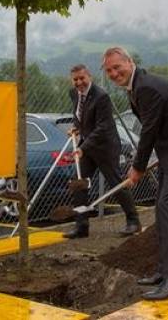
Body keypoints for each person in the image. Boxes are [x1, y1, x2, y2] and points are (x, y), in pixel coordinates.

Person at [102, 47, 168, 301]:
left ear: (130, 62)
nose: (115, 73)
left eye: (118, 67)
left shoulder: (146, 87)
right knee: (162, 205)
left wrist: (138, 166)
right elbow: (157, 126)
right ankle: (163, 271)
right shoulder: (136, 86)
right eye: (109, 71)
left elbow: (149, 129)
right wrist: (150, 159)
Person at [64, 64, 141, 240]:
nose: (79, 82)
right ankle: (81, 226)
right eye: (75, 79)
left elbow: (103, 126)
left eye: (82, 78)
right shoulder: (74, 93)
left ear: (89, 76)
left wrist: (82, 148)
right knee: (79, 183)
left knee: (115, 183)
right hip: (88, 146)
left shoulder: (102, 96)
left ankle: (133, 221)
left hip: (105, 146)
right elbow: (81, 117)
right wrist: (75, 128)